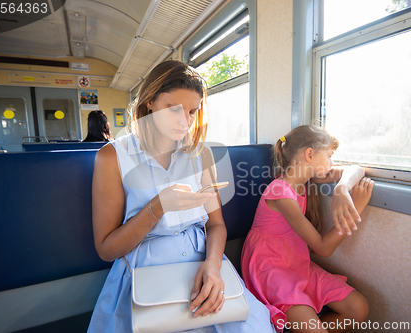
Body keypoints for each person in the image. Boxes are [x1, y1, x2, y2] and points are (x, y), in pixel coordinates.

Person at [87, 60, 275, 333]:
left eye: (192, 111)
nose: (185, 121)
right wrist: (158, 207)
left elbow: (216, 224)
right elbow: (107, 249)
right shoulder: (112, 157)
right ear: (149, 101)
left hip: (203, 260)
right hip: (143, 269)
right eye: (173, 109)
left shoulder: (202, 154)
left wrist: (213, 266)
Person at [241, 125, 375, 333]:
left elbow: (355, 170)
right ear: (310, 154)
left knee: (358, 308)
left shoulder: (310, 178)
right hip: (272, 267)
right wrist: (356, 207)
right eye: (329, 156)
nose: (332, 163)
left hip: (296, 262)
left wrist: (341, 188)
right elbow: (323, 248)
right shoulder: (280, 192)